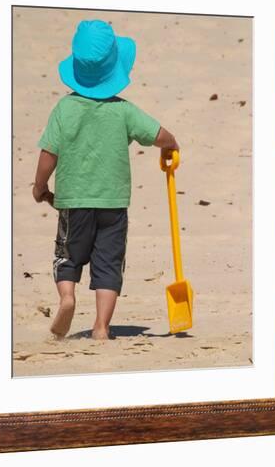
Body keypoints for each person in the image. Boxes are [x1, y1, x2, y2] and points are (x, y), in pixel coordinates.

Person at [32, 19, 179, 340]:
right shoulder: (124, 111)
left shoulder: (64, 108)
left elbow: (48, 154)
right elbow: (159, 134)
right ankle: (101, 326)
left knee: (68, 255)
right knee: (109, 263)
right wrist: (171, 145)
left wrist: (40, 187)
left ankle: (67, 297)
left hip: (72, 201)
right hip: (113, 203)